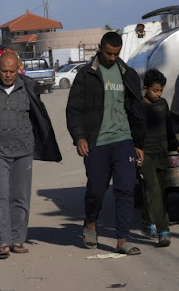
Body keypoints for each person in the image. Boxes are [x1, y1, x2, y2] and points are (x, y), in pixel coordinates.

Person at [0, 52, 62, 259]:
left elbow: (38, 117)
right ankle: (3, 241)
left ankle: (17, 240)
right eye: (4, 71)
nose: (7, 75)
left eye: (12, 71)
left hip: (23, 151)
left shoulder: (29, 88)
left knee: (20, 197)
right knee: (0, 195)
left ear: (18, 69)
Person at [66, 32, 146, 255]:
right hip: (96, 143)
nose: (112, 58)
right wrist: (79, 137)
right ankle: (91, 222)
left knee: (126, 188)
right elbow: (74, 109)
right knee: (96, 191)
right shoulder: (86, 74)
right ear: (100, 47)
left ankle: (122, 239)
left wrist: (139, 142)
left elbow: (136, 109)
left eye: (116, 54)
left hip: (124, 140)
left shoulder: (128, 74)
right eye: (109, 53)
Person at [139, 69, 179, 247]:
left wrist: (176, 145)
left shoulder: (163, 104)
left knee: (160, 192)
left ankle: (147, 222)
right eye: (155, 90)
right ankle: (164, 231)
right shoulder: (139, 107)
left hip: (162, 154)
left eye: (160, 90)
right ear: (145, 88)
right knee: (154, 190)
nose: (158, 94)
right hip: (146, 155)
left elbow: (169, 129)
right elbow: (135, 131)